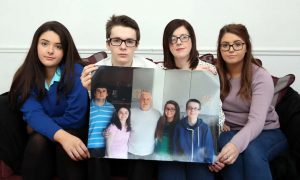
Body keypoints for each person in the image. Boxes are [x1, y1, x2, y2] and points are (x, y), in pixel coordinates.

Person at [8, 21, 89, 180]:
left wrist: (40, 125)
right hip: (44, 141)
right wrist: (60, 135)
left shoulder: (77, 72)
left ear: (65, 50)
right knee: (38, 142)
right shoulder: (25, 77)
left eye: (58, 46)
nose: (50, 51)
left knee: (63, 140)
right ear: (36, 45)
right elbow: (33, 114)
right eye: (45, 44)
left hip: (75, 133)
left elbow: (75, 119)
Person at [80, 15, 158, 180]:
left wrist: (201, 69)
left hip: (136, 136)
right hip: (106, 133)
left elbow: (178, 73)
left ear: (137, 45)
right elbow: (87, 116)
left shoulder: (152, 69)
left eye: (129, 41)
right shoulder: (94, 71)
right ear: (108, 43)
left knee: (143, 160)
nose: (123, 47)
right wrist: (86, 90)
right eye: (117, 40)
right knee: (97, 151)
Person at [208, 24, 288, 180]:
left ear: (246, 47)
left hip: (266, 131)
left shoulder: (260, 76)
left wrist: (236, 145)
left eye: (237, 44)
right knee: (226, 153)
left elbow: (257, 121)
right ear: (220, 50)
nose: (231, 49)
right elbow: (203, 107)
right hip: (229, 131)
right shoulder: (213, 74)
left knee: (252, 151)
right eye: (225, 45)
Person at [158, 19, 219, 180]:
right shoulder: (159, 71)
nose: (179, 42)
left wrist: (214, 150)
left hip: (198, 139)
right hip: (172, 138)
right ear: (167, 44)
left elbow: (216, 111)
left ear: (192, 40)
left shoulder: (208, 70)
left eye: (184, 37)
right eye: (173, 38)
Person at [173, 99, 215, 163]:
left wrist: (208, 164)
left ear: (199, 111)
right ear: (186, 110)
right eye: (190, 108)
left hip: (199, 164)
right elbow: (175, 148)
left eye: (195, 108)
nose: (192, 110)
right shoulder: (178, 127)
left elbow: (209, 150)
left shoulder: (205, 128)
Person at [128, 90, 161, 159]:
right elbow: (121, 127)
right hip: (131, 152)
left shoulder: (157, 114)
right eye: (143, 99)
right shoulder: (130, 112)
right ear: (139, 100)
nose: (145, 101)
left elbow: (163, 129)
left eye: (147, 99)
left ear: (151, 101)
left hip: (149, 153)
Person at [87, 87, 115, 157]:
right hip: (89, 146)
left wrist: (110, 133)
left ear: (107, 94)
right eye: (98, 91)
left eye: (104, 91)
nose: (101, 93)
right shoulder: (87, 105)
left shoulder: (112, 108)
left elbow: (115, 126)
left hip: (106, 146)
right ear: (94, 93)